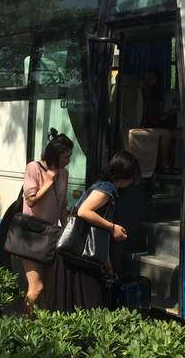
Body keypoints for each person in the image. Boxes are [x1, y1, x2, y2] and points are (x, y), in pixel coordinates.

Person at [50, 150, 141, 312]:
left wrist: (106, 261)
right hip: (78, 254)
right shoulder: (107, 189)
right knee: (90, 303)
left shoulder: (105, 186)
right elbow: (84, 212)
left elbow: (97, 229)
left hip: (78, 253)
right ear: (127, 174)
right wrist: (112, 227)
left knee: (75, 304)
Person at [21, 128, 74, 317]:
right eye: (66, 157)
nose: (68, 160)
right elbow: (31, 201)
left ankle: (42, 325)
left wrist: (67, 232)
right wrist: (49, 182)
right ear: (56, 154)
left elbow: (63, 205)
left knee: (51, 288)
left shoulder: (64, 173)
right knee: (37, 288)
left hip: (51, 235)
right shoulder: (33, 167)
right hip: (32, 235)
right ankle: (26, 325)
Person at [139, 66, 180, 174]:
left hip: (153, 124)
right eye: (150, 73)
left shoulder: (154, 95)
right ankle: (165, 167)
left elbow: (156, 114)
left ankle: (172, 166)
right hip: (142, 126)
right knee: (167, 134)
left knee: (179, 134)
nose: (151, 77)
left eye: (155, 76)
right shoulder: (139, 91)